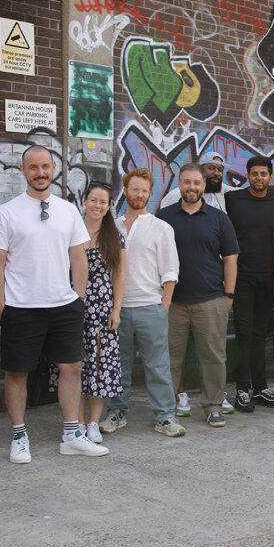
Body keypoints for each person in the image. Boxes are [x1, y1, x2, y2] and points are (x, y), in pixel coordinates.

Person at [0, 145, 108, 463]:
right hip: (20, 307)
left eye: (45, 166)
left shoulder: (67, 210)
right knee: (17, 373)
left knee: (72, 368)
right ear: (24, 171)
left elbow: (78, 257)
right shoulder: (7, 212)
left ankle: (71, 435)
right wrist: (2, 307)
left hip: (64, 306)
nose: (40, 173)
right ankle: (18, 435)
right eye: (33, 167)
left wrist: (78, 300)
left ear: (53, 168)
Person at [163, 152, 274, 416]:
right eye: (210, 168)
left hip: (215, 288)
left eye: (219, 169)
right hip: (179, 293)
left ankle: (217, 400)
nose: (215, 173)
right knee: (176, 352)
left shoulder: (225, 197)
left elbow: (256, 189)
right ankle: (178, 396)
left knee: (215, 351)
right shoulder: (170, 205)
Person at [99, 168, 184, 438]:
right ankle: (116, 412)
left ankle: (165, 416)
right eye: (134, 189)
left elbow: (170, 271)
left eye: (144, 190)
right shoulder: (110, 225)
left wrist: (164, 307)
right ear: (125, 190)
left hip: (151, 307)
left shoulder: (161, 228)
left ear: (150, 193)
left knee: (157, 366)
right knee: (117, 365)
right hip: (118, 309)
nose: (139, 194)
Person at [157, 164, 239, 428]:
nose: (191, 187)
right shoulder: (164, 216)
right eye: (186, 182)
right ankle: (167, 408)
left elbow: (230, 258)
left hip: (211, 300)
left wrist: (228, 294)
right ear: (179, 184)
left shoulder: (218, 218)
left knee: (214, 357)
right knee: (169, 357)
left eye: (196, 183)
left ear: (203, 186)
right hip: (173, 302)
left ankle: (213, 406)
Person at [47, 182, 126, 443]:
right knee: (74, 366)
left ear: (108, 206)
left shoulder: (114, 235)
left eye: (103, 202)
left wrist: (116, 309)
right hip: (72, 306)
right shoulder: (70, 230)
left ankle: (93, 423)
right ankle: (75, 423)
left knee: (99, 367)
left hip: (102, 308)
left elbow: (120, 275)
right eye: (94, 200)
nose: (98, 206)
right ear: (84, 200)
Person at [224, 156, 274, 411]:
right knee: (243, 333)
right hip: (241, 277)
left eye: (263, 174)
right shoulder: (233, 200)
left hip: (266, 276)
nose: (258, 178)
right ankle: (241, 389)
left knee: (261, 334)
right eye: (254, 173)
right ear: (247, 175)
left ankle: (260, 388)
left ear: (271, 177)